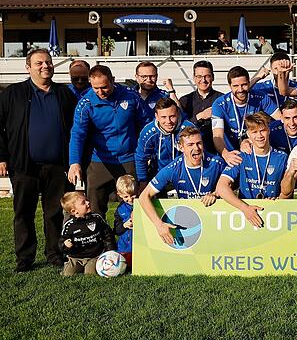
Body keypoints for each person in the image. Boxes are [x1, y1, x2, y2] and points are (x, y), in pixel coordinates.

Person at [0, 48, 78, 272]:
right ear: (28, 67)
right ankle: (24, 258)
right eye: (39, 63)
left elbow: (76, 129)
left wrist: (73, 161)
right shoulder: (12, 93)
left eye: (48, 62)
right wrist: (2, 157)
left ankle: (55, 254)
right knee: (23, 213)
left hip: (57, 165)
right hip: (24, 165)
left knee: (54, 212)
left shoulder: (64, 94)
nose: (45, 66)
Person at [68, 64, 153, 217]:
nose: (100, 92)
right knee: (94, 209)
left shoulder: (130, 96)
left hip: (129, 158)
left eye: (104, 87)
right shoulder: (85, 103)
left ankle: (131, 239)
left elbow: (146, 124)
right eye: (96, 88)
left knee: (136, 205)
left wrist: (146, 153)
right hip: (99, 161)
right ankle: (99, 240)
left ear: (113, 80)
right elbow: (77, 134)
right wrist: (74, 162)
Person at [139, 127, 226, 244]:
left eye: (199, 143)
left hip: (214, 218)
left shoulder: (216, 163)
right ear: (181, 147)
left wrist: (215, 193)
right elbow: (144, 196)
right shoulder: (173, 168)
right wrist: (159, 225)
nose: (196, 148)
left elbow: (233, 185)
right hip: (188, 220)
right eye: (190, 145)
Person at [212, 66, 279, 166]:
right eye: (236, 86)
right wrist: (226, 155)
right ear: (230, 86)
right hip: (231, 155)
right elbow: (218, 136)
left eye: (244, 85)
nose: (240, 89)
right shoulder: (219, 104)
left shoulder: (260, 98)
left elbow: (281, 119)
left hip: (253, 153)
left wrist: (250, 140)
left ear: (249, 83)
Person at [217, 112, 289, 201]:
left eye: (262, 130)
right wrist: (245, 208)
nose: (259, 136)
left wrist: (278, 201)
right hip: (247, 211)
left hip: (273, 211)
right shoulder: (242, 157)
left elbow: (287, 191)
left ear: (269, 130)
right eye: (254, 132)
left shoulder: (282, 157)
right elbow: (221, 186)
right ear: (248, 134)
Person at [135, 98, 196, 188]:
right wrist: (142, 182)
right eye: (163, 117)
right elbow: (141, 157)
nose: (168, 121)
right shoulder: (149, 132)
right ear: (156, 116)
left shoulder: (188, 129)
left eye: (172, 116)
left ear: (178, 113)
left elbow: (197, 154)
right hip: (158, 175)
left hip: (185, 175)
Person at [59, 191, 116, 276]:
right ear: (74, 211)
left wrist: (110, 250)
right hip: (75, 257)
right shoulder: (69, 225)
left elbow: (107, 234)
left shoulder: (97, 218)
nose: (88, 202)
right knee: (67, 274)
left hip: (93, 256)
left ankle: (89, 266)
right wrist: (65, 245)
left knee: (90, 274)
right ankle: (71, 265)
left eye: (87, 200)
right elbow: (62, 242)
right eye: (83, 203)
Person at [178, 60, 223, 154]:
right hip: (192, 152)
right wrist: (199, 116)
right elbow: (180, 127)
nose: (203, 80)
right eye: (199, 76)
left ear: (213, 77)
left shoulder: (222, 100)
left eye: (207, 76)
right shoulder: (185, 100)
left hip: (216, 151)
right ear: (194, 78)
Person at [113, 175, 136, 267]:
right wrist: (124, 225)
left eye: (133, 195)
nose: (130, 199)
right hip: (124, 247)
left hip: (140, 246)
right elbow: (116, 230)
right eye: (126, 196)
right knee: (124, 264)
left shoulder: (142, 204)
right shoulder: (120, 210)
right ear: (120, 195)